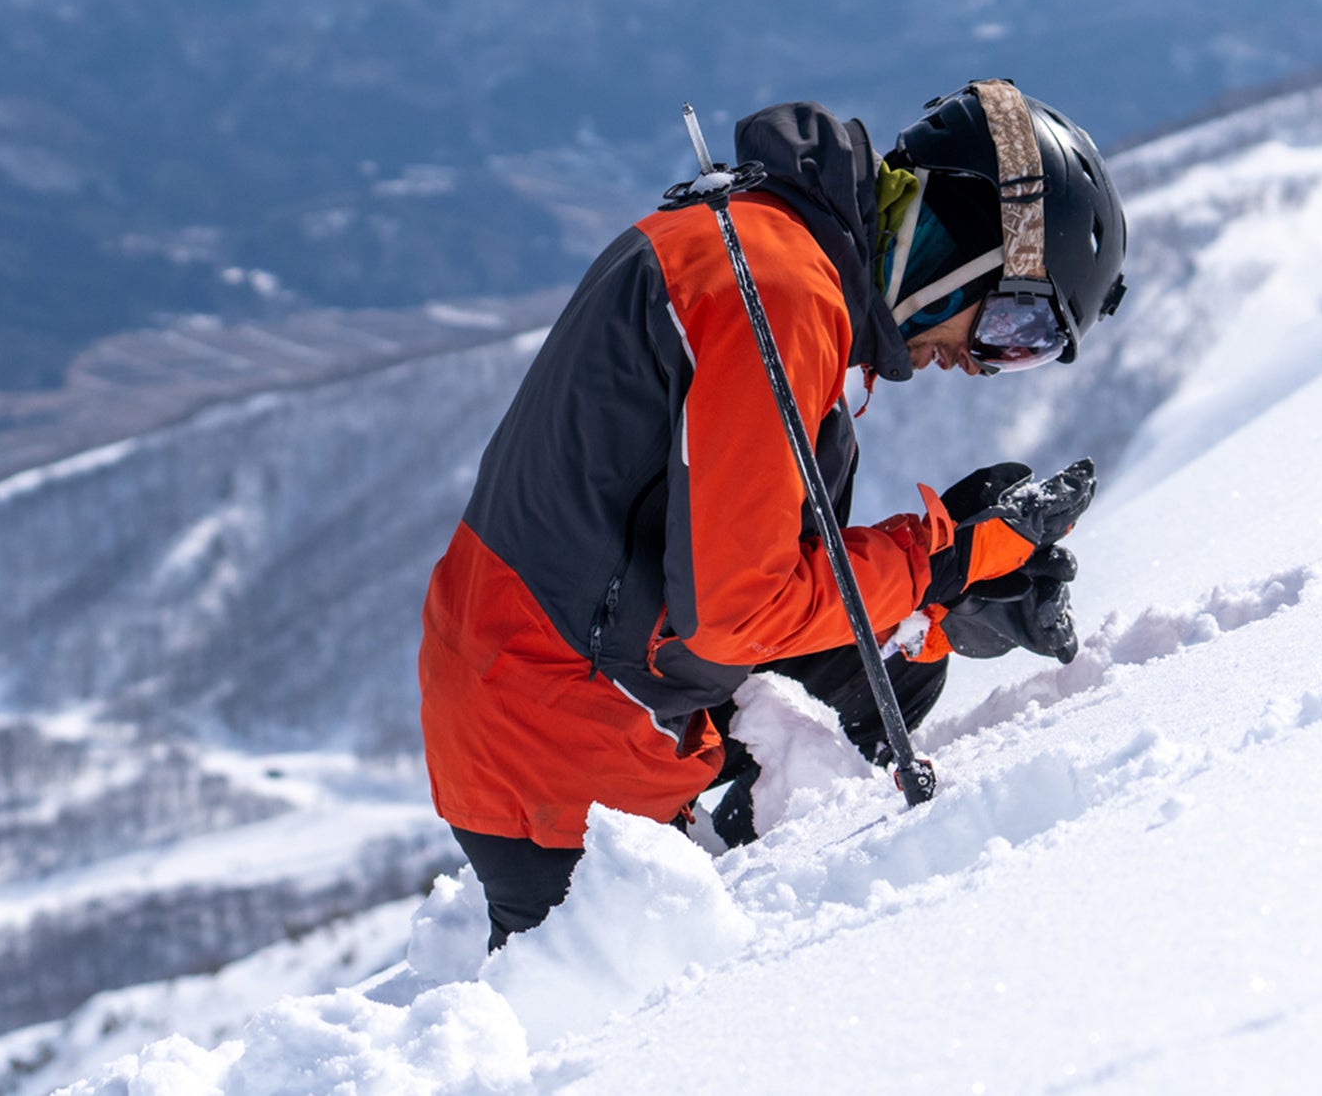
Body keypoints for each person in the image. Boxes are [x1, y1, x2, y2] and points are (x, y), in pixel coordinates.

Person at [419, 78, 1127, 950]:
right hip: (557, 752)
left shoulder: (775, 246)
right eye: (1013, 324)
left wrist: (941, 596)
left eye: (1026, 351)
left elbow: (750, 565)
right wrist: (937, 560)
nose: (988, 365)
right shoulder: (783, 296)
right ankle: (743, 890)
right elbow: (739, 609)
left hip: (567, 667)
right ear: (964, 246)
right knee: (622, 1026)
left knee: (896, 675)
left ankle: (748, 832)